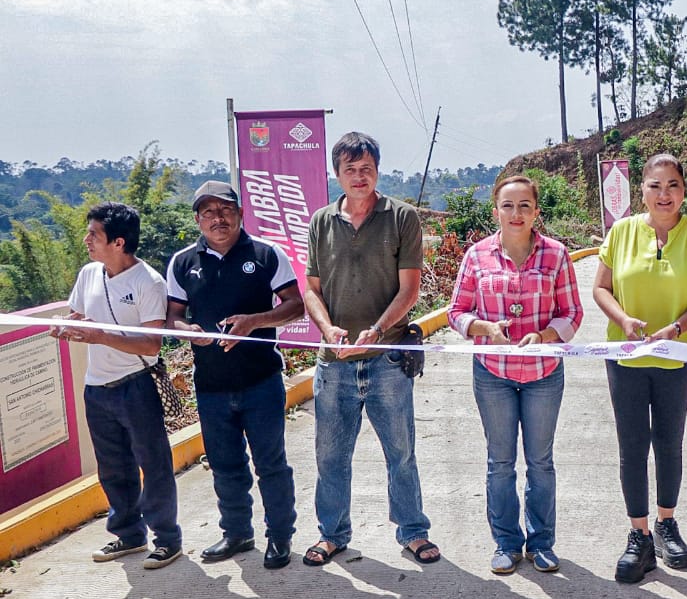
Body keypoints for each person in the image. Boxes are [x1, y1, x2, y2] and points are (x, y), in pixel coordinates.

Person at [302, 132, 438, 566]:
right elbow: (311, 289)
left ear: (377, 171)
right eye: (350, 169)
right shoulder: (321, 221)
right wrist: (327, 329)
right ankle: (332, 534)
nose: (359, 177)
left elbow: (409, 289)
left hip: (388, 361)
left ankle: (413, 531)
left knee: (401, 453)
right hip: (334, 365)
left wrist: (378, 330)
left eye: (366, 169)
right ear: (336, 174)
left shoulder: (402, 217)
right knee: (330, 457)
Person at [593, 153, 687, 583]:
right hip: (626, 358)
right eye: (655, 185)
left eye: (672, 185)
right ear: (642, 190)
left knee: (669, 442)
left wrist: (677, 328)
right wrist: (623, 319)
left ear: (684, 191)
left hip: (677, 357)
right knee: (632, 446)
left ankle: (667, 524)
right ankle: (639, 535)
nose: (664, 194)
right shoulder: (621, 232)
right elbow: (601, 288)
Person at [448, 175, 584, 575]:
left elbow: (572, 312)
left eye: (525, 205)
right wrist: (485, 329)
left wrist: (544, 336)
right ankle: (506, 544)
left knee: (540, 462)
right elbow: (456, 312)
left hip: (544, 373)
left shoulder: (556, 255)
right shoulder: (477, 256)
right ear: (496, 212)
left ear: (536, 211)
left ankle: (541, 544)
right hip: (493, 374)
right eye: (508, 205)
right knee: (500, 462)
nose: (516, 213)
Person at [166, 180, 305, 569]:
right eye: (208, 212)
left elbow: (295, 305)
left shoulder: (265, 254)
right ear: (197, 219)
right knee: (225, 466)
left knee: (271, 464)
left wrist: (254, 322)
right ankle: (237, 533)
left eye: (225, 209)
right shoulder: (182, 263)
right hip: (211, 386)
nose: (218, 218)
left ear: (240, 213)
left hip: (261, 382)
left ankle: (280, 536)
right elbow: (172, 316)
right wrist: (187, 331)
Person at [50, 202, 183, 569]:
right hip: (97, 387)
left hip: (136, 385)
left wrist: (100, 335)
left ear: (119, 242)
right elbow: (80, 317)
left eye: (94, 234)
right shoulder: (89, 274)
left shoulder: (148, 282)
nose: (86, 240)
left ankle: (167, 539)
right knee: (112, 467)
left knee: (153, 464)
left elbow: (151, 345)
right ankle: (128, 534)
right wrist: (67, 327)